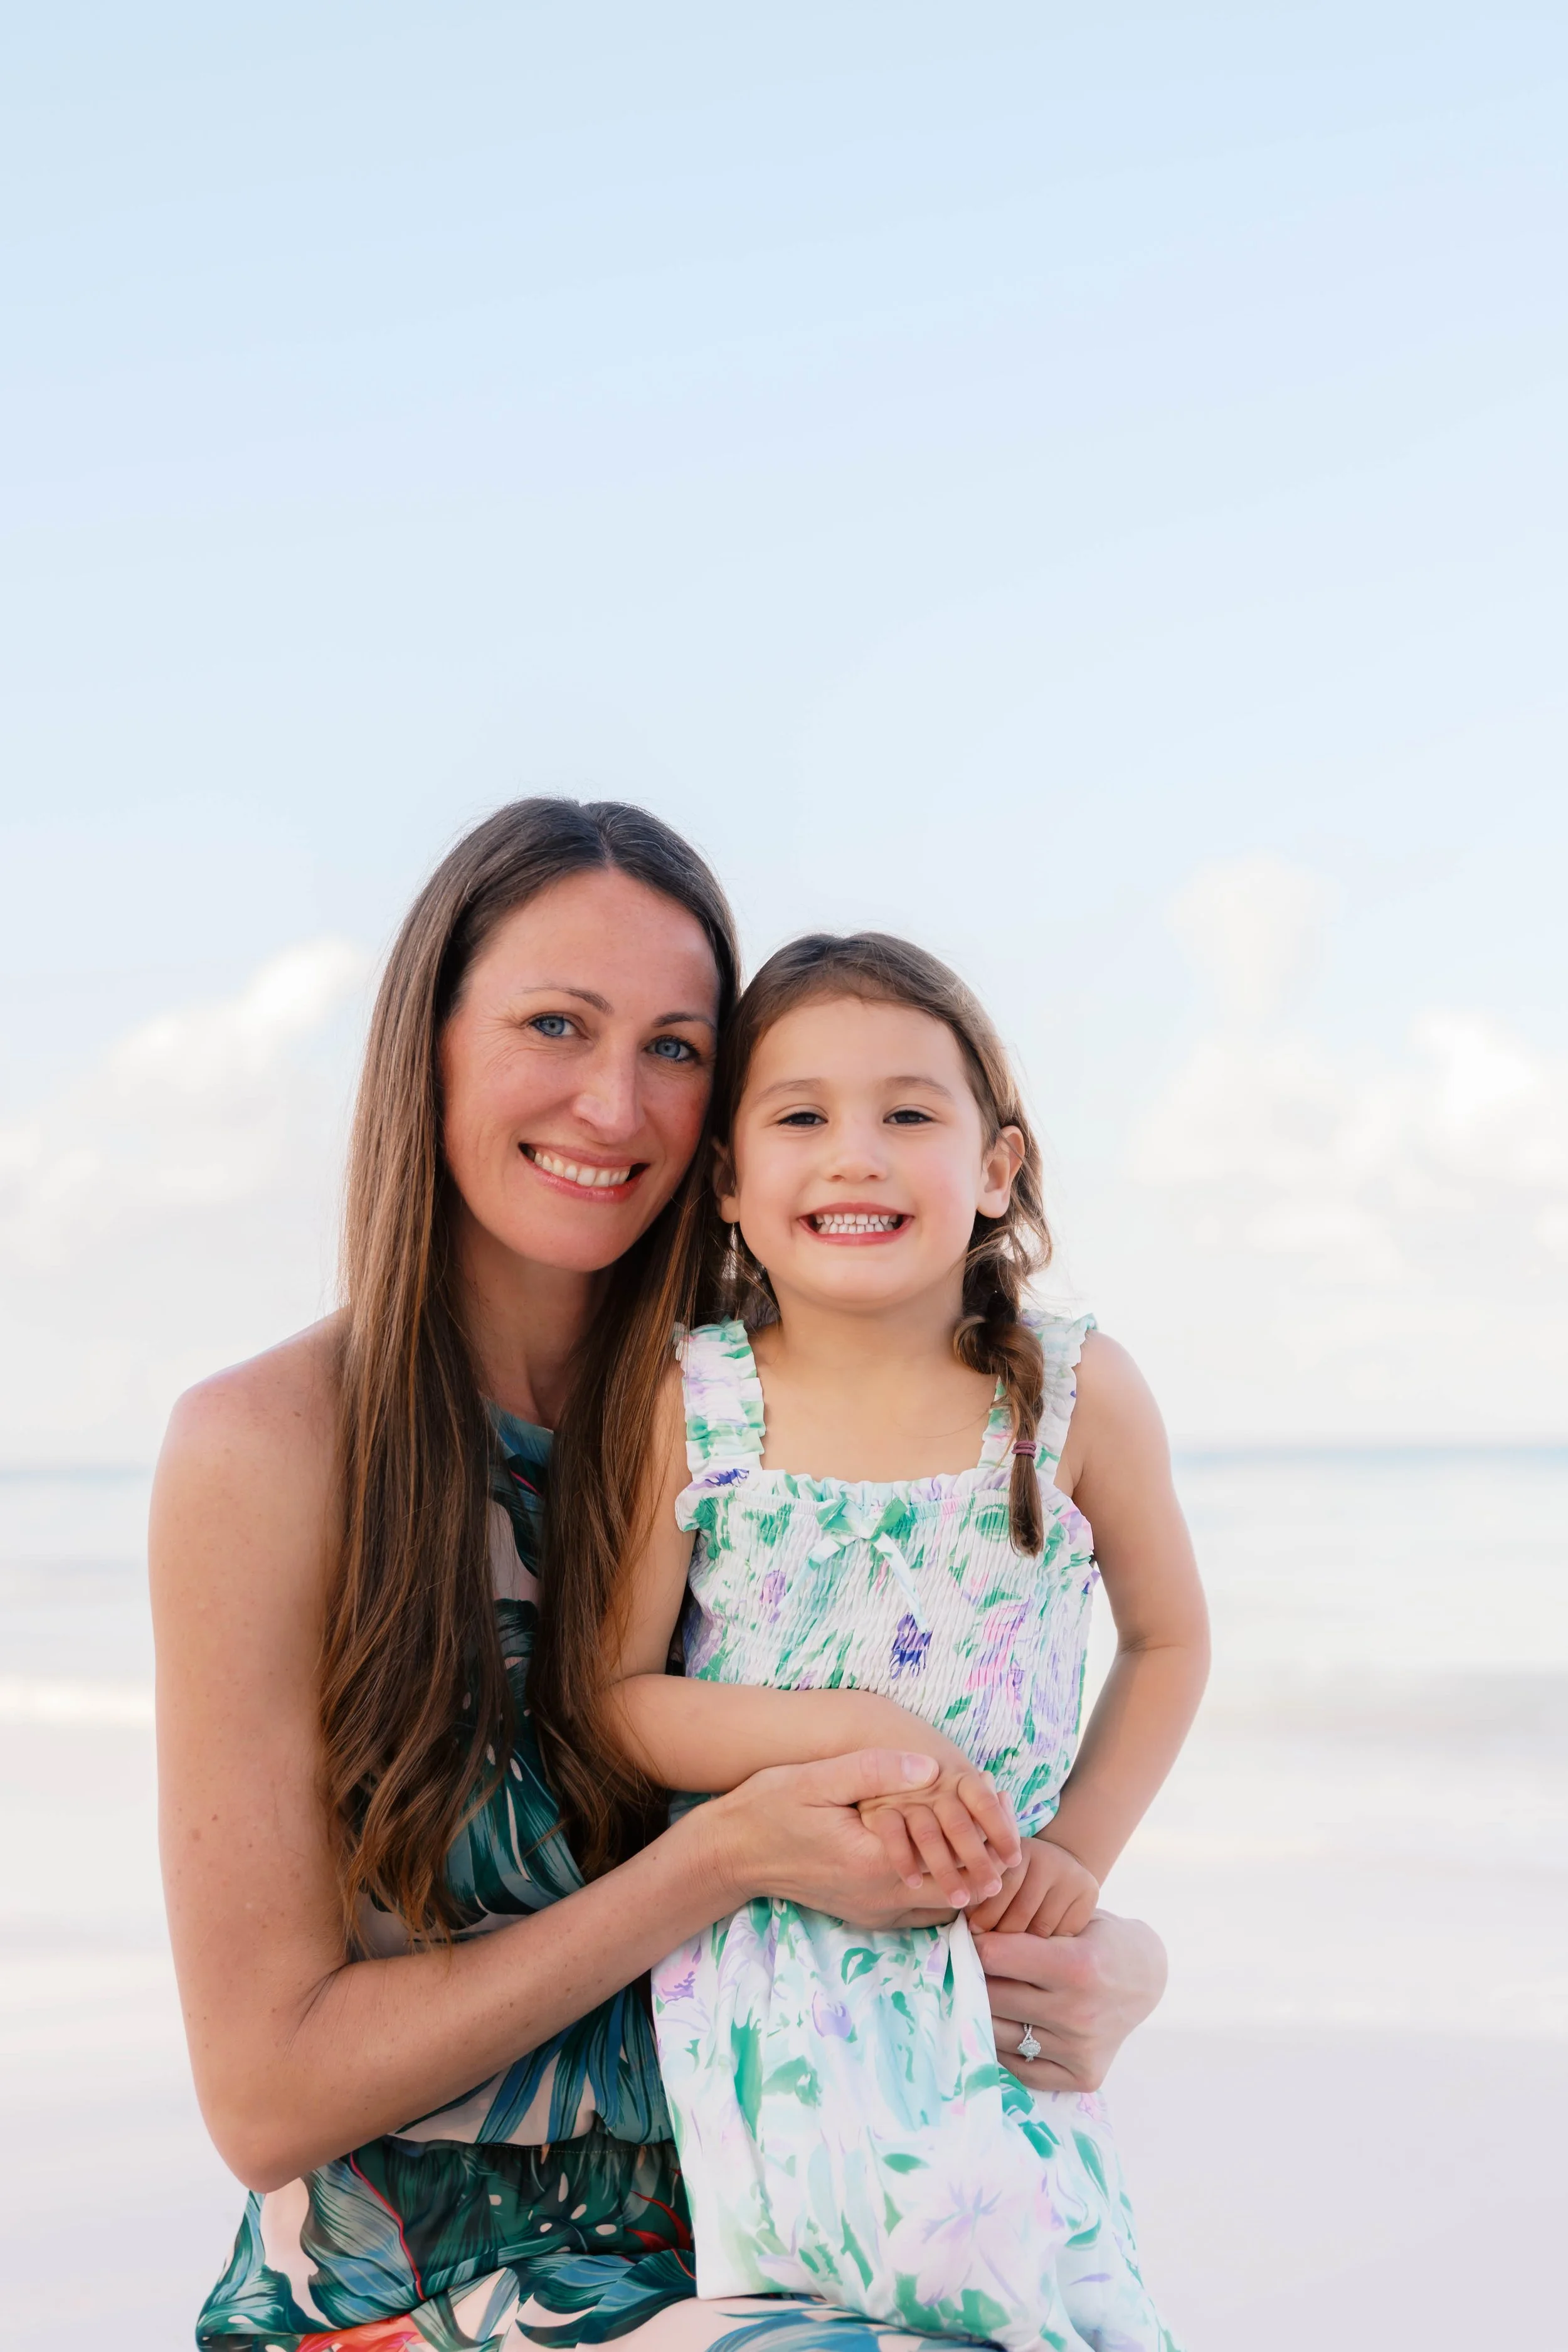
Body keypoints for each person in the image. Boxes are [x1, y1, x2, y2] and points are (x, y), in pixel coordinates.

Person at [151, 799, 1170, 2352]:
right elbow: (263, 2094)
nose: (614, 1103)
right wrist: (716, 1862)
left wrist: (1103, 1962)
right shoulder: (269, 1450)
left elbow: (1012, 1718)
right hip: (438, 2273)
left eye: (680, 1048)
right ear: (426, 1044)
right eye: (555, 1024)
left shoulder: (777, 1408)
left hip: (799, 2218)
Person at [595, 933, 1209, 2351]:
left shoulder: (1071, 1393)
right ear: (732, 1185)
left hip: (983, 1965)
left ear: (996, 1168)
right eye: (800, 1117)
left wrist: (1075, 1860)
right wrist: (849, 1733)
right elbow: (618, 1699)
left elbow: (1169, 1641)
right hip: (760, 1976)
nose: (853, 1156)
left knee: (1049, 2302)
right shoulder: (693, 1399)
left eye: (907, 1115)